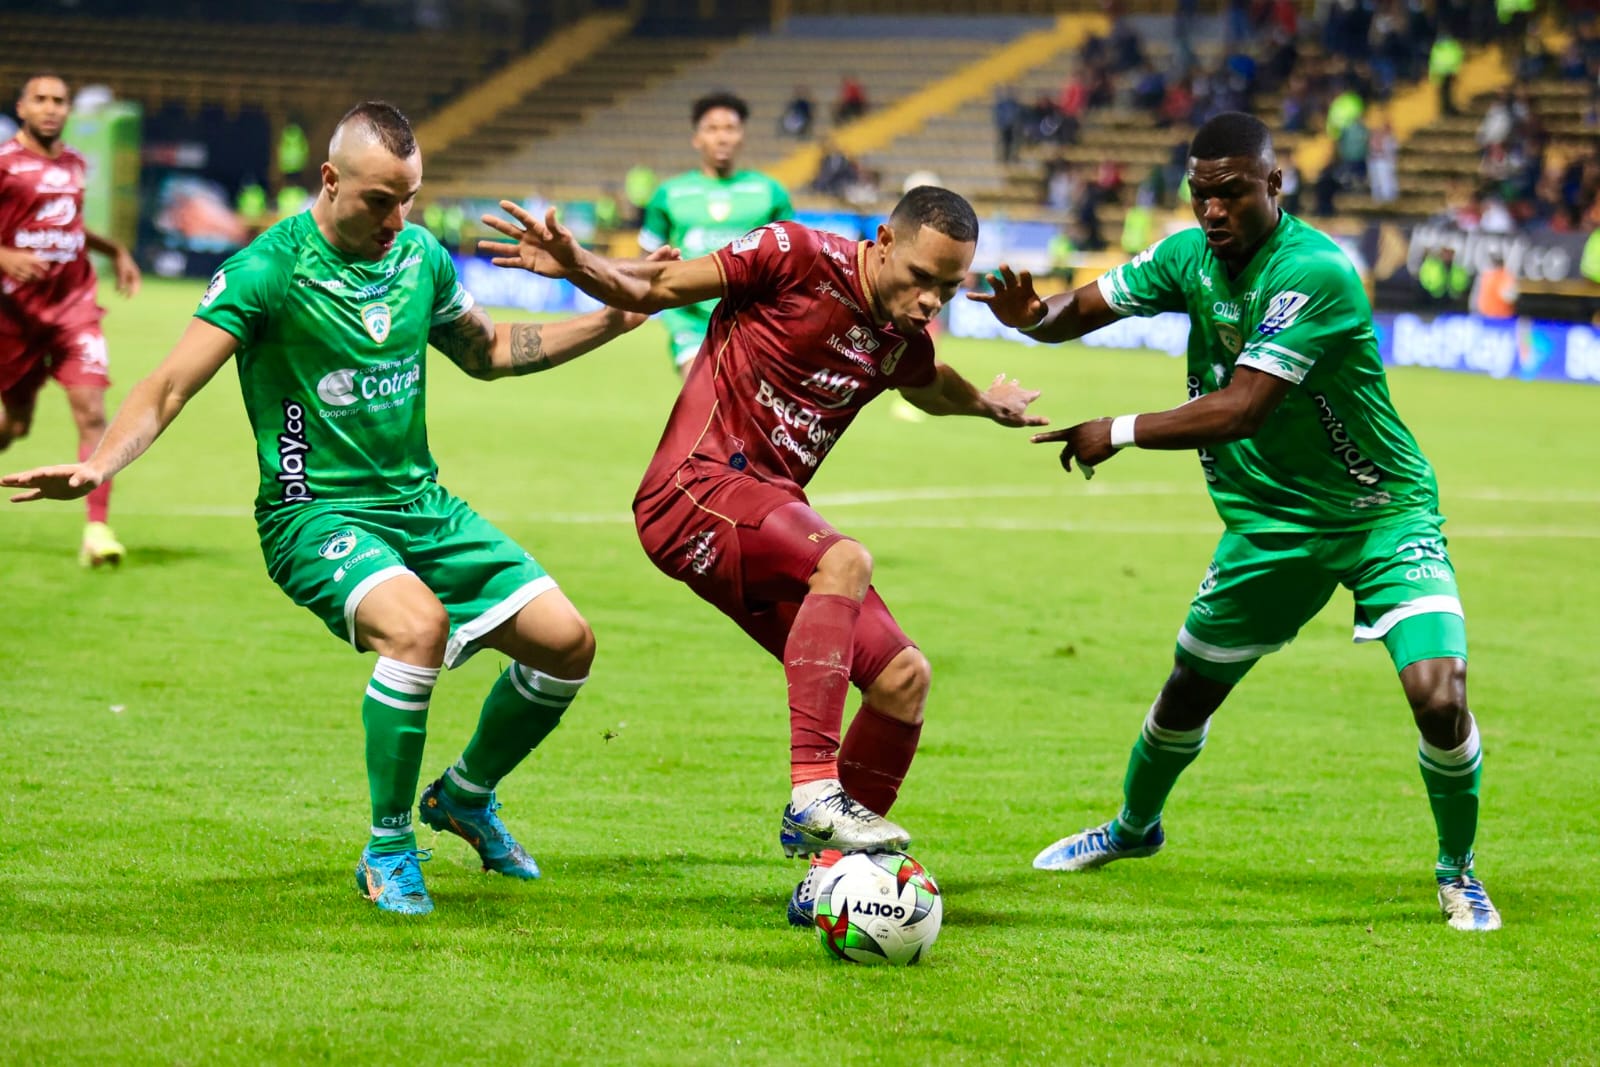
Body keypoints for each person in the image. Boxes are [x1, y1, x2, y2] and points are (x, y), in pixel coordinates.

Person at [3, 101, 666, 917]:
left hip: (419, 504)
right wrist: (101, 463)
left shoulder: (420, 256)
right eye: (381, 200)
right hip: (312, 514)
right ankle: (388, 848)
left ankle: (462, 796)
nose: (399, 218)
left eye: (410, 198)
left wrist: (613, 318)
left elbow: (489, 351)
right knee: (415, 628)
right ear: (329, 179)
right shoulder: (268, 269)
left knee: (568, 644)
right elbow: (171, 382)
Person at [970, 111, 1501, 932]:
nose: (1213, 211)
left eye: (1230, 194)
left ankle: (1457, 870)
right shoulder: (1189, 255)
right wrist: (1031, 318)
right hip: (1269, 525)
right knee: (1186, 693)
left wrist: (1115, 429)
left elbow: (1246, 406)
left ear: (1273, 185)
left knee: (1440, 694)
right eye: (1199, 195)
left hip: (1381, 513)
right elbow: (1090, 304)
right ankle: (1133, 829)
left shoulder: (1315, 271)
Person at [479, 186, 1046, 922]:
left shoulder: (902, 335)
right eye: (922, 276)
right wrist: (577, 261)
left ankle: (834, 881)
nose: (931, 298)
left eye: (950, 286)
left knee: (904, 677)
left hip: (763, 518)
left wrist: (985, 403)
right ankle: (814, 790)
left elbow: (929, 381)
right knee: (843, 559)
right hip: (694, 489)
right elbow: (656, 285)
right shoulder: (796, 256)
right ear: (881, 241)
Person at [0, 73, 141, 566]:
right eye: (40, 99)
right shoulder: (4, 164)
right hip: (15, 316)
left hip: (74, 309)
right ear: (21, 107)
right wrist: (4, 256)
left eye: (59, 101)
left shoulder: (74, 163)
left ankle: (97, 531)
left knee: (93, 413)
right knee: (12, 425)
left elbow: (70, 226)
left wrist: (115, 249)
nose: (51, 108)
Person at [638, 92, 791, 377]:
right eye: (712, 129)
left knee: (747, 411)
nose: (722, 138)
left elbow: (792, 260)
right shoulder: (669, 194)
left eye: (730, 129)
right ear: (696, 138)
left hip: (752, 319)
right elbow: (647, 258)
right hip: (689, 319)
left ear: (742, 136)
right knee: (704, 393)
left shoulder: (770, 192)